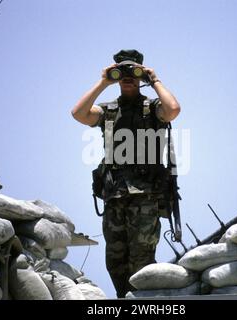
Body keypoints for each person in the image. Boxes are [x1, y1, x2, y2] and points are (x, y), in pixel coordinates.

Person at [71, 49, 181, 298]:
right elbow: (78, 114)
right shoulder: (107, 111)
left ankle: (142, 301)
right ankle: (124, 300)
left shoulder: (153, 108)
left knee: (142, 257)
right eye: (123, 71)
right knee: (115, 260)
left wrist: (154, 80)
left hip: (145, 195)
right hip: (114, 195)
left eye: (134, 71)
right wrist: (103, 81)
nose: (128, 76)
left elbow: (173, 109)